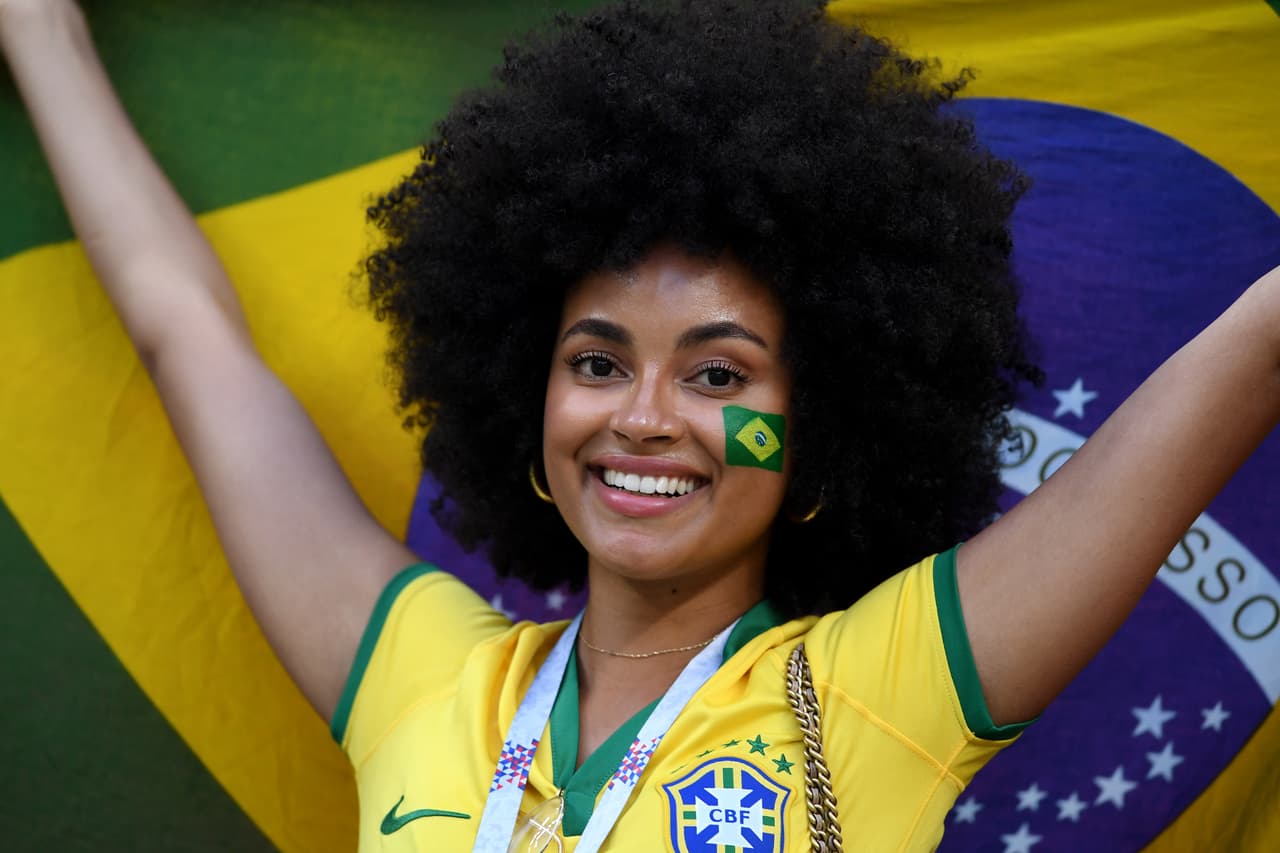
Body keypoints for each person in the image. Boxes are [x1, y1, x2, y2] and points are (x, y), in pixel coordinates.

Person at [2, 0, 1277, 850]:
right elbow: (189, 337)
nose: (644, 418)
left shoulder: (887, 687)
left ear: (819, 431)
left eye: (718, 375)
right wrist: (39, 28)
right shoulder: (418, 670)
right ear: (530, 399)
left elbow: (1249, 352)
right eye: (597, 361)